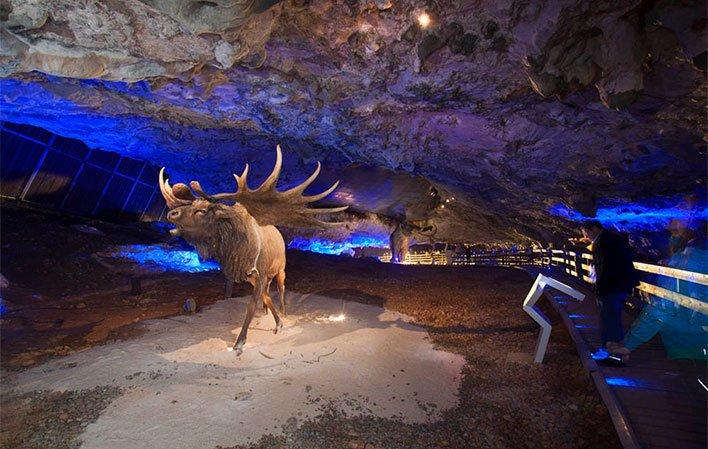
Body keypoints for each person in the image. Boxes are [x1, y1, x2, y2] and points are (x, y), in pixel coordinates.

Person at [609, 224, 707, 361]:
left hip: (692, 346)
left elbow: (663, 306)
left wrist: (628, 344)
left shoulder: (690, 256)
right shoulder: (690, 252)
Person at [580, 220, 639, 361]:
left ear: (594, 228)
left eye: (586, 232)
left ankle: (612, 351)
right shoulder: (611, 238)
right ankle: (613, 349)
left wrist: (598, 286)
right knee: (613, 316)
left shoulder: (603, 242)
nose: (586, 236)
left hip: (610, 286)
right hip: (618, 285)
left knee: (609, 317)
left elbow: (605, 267)